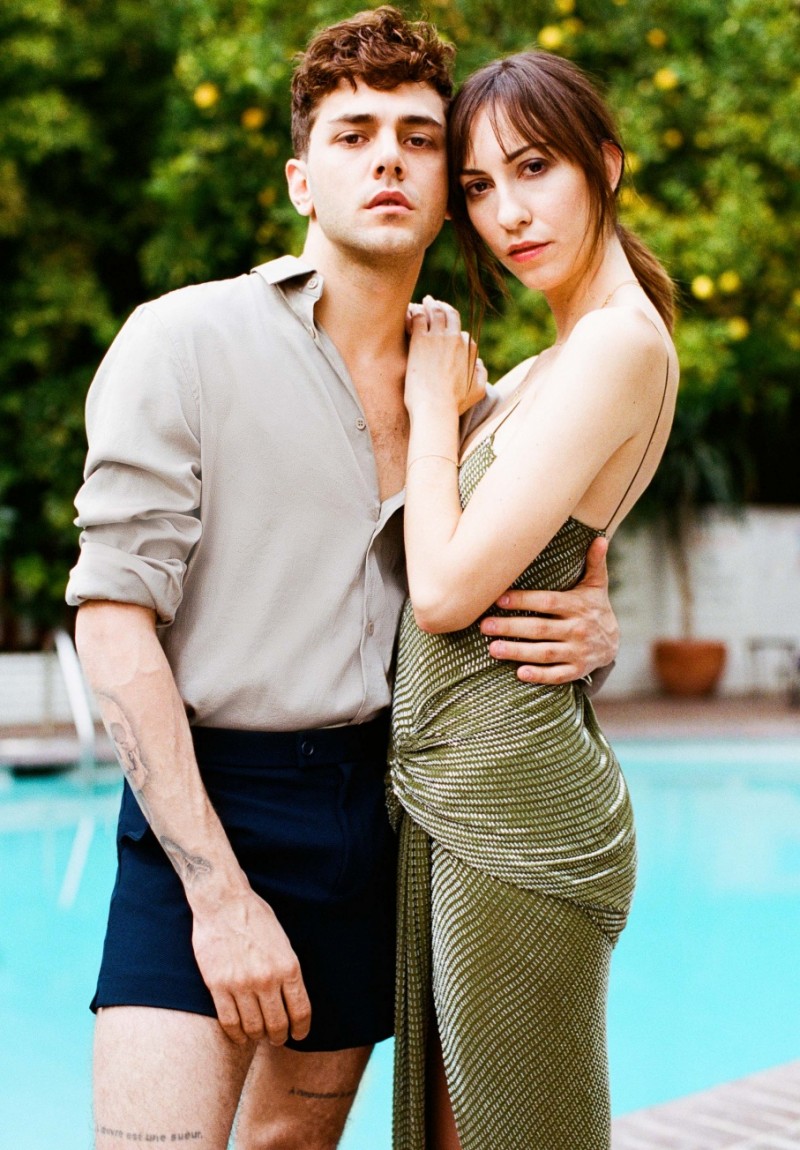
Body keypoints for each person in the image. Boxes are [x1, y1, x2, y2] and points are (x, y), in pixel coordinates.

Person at [66, 11, 620, 1150]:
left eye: (419, 140)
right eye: (353, 133)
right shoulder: (183, 340)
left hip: (384, 806)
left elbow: (511, 579)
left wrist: (593, 624)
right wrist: (217, 897)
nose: (387, 158)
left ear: (447, 187)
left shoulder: (473, 391)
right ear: (299, 180)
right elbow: (112, 621)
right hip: (207, 806)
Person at [389, 50, 679, 1150]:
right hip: (466, 786)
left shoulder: (614, 342)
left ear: (602, 166)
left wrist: (429, 413)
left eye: (532, 168)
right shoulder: (540, 367)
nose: (506, 212)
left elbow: (447, 590)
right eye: (475, 186)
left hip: (519, 809)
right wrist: (463, 407)